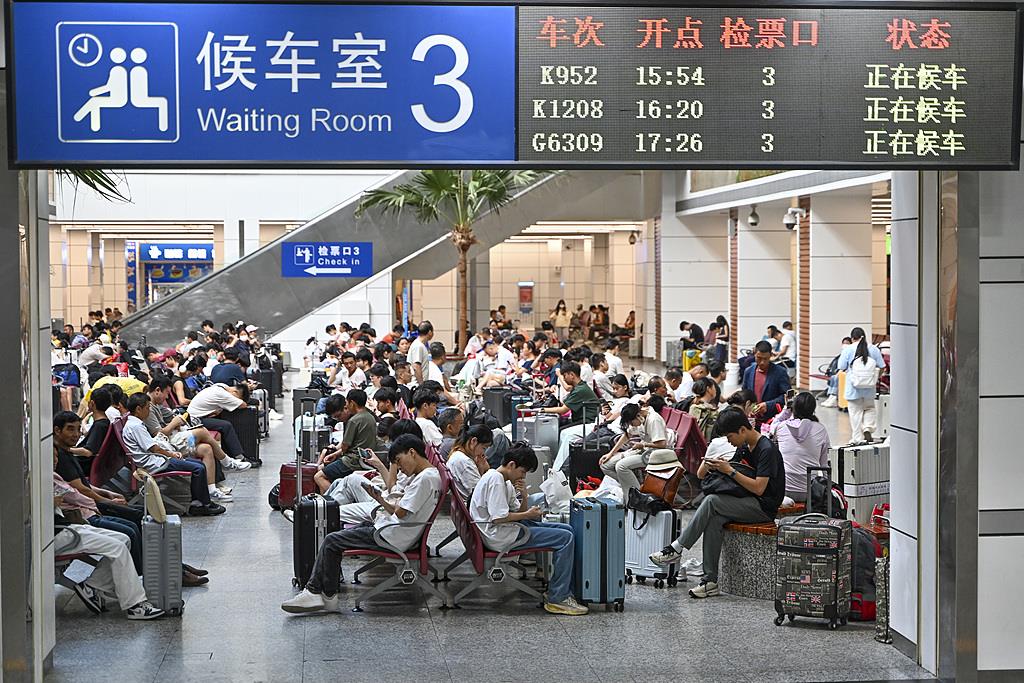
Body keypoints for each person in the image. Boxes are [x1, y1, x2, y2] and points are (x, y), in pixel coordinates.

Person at [282, 434, 442, 614]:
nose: (400, 468)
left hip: (390, 535)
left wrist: (381, 500)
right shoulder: (431, 475)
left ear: (412, 452)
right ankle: (325, 595)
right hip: (391, 529)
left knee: (332, 541)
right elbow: (402, 509)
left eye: (399, 461)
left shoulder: (424, 479)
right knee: (337, 537)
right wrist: (380, 500)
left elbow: (400, 512)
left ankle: (316, 593)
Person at [650, 408, 785, 598]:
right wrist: (718, 466)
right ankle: (710, 581)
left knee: (712, 501)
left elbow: (759, 488)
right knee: (714, 520)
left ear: (742, 430)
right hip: (746, 500)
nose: (729, 441)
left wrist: (729, 471)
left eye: (730, 436)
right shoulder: (745, 446)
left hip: (763, 507)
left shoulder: (766, 450)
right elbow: (734, 473)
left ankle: (677, 548)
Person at [470, 444, 587, 616]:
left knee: (567, 529)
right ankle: (558, 597)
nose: (523, 476)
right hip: (500, 535)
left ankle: (560, 589)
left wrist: (524, 496)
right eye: (523, 471)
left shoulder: (504, 480)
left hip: (507, 529)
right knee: (565, 538)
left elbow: (517, 512)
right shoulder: (495, 480)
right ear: (511, 465)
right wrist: (528, 514)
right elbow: (498, 518)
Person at [120, 393, 225, 516]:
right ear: (138, 409)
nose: (148, 411)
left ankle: (198, 503)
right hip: (155, 463)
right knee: (198, 468)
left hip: (157, 459)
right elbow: (154, 449)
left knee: (199, 465)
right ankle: (202, 505)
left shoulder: (134, 424)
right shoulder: (136, 427)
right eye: (147, 408)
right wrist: (171, 454)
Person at [769, 392, 831, 502]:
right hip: (810, 492)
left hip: (784, 490)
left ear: (794, 408)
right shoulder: (820, 429)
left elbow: (773, 426)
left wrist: (786, 409)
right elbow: (824, 465)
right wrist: (829, 491)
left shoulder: (782, 427)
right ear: (813, 409)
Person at [174, 382, 252, 466]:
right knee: (226, 426)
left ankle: (230, 454)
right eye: (237, 398)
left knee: (223, 423)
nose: (234, 399)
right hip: (195, 420)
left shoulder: (221, 386)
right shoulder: (222, 394)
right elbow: (243, 405)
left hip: (196, 415)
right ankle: (239, 457)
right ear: (235, 392)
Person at [599, 403, 670, 492]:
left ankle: (636, 493)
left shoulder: (654, 420)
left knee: (621, 466)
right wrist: (610, 453)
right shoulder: (639, 417)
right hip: (643, 451)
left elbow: (662, 444)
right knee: (605, 465)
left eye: (631, 423)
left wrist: (643, 445)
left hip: (655, 454)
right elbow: (627, 435)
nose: (631, 425)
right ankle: (633, 487)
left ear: (638, 416)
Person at [315, 390, 379, 491]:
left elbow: (345, 446)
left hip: (352, 461)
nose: (347, 406)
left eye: (347, 403)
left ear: (352, 403)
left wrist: (338, 453)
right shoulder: (370, 417)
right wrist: (336, 453)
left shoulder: (354, 421)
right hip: (364, 458)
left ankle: (333, 499)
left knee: (319, 477)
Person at [838, 327, 886, 443]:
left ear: (852, 338)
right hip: (869, 388)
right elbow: (882, 366)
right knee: (869, 408)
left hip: (853, 388)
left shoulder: (848, 349)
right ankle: (868, 427)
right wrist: (875, 378)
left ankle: (857, 438)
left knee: (855, 413)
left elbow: (841, 367)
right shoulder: (874, 349)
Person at [741, 340, 791, 424]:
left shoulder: (780, 372)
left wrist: (768, 405)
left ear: (771, 356)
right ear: (754, 354)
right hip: (752, 419)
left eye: (765, 359)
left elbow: (787, 396)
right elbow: (744, 394)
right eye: (759, 358)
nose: (762, 362)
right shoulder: (748, 371)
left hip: (773, 419)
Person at [541, 362, 599, 427]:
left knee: (558, 430)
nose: (563, 379)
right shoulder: (578, 387)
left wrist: (542, 410)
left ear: (571, 375)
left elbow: (563, 410)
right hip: (581, 420)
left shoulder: (580, 390)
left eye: (564, 376)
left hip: (587, 422)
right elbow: (565, 403)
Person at [446, 424, 494, 500]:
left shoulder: (459, 455)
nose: (483, 453)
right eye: (484, 448)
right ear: (473, 441)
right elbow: (482, 495)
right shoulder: (464, 463)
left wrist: (480, 469)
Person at [820, 337, 854, 408]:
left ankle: (834, 397)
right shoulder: (842, 354)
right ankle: (831, 396)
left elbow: (844, 366)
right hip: (842, 372)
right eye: (844, 343)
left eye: (847, 343)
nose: (845, 345)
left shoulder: (851, 352)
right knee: (833, 377)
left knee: (836, 377)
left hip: (848, 373)